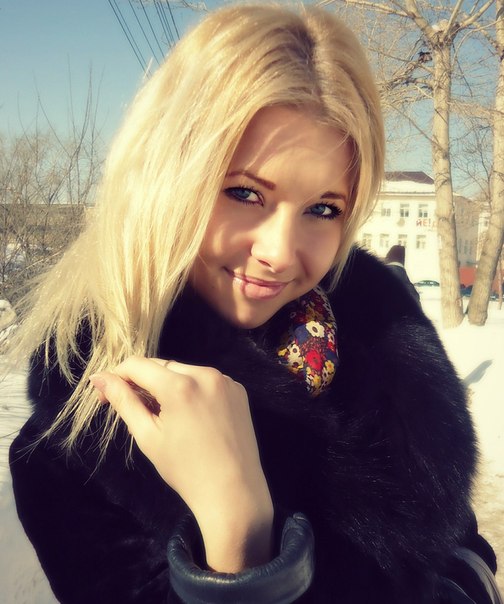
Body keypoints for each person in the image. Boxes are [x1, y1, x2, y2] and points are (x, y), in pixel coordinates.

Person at [7, 4, 500, 604]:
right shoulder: (77, 437)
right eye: (244, 193)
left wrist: (469, 581)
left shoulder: (377, 331)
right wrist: (237, 533)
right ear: (165, 182)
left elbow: (458, 537)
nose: (280, 253)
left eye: (323, 208)